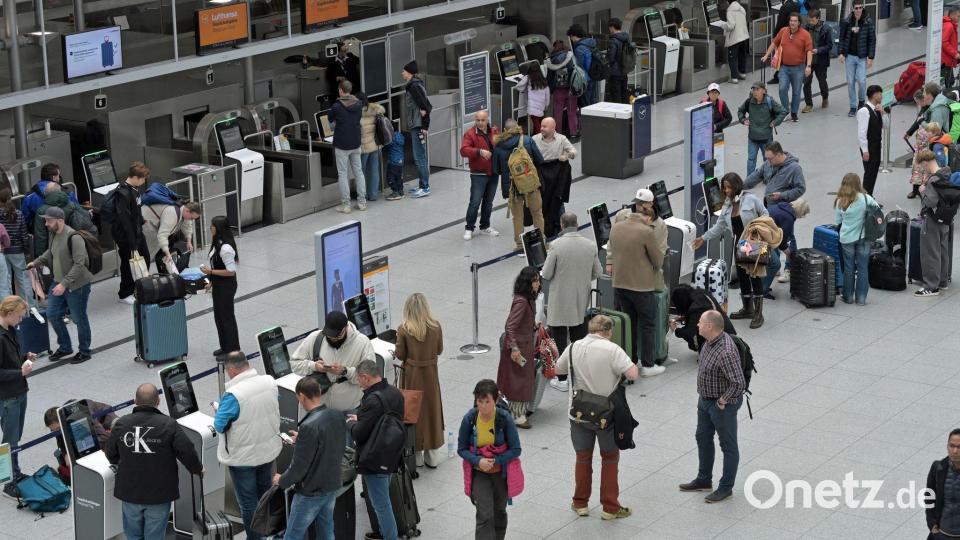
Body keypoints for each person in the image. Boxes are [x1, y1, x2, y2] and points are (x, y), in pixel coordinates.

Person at [555, 314, 639, 519]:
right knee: (610, 458)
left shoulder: (574, 347)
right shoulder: (613, 350)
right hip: (606, 415)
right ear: (609, 331)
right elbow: (633, 374)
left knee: (582, 457)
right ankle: (610, 507)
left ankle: (580, 503)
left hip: (578, 413)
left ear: (590, 329)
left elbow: (559, 369)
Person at [106, 383, 202, 540]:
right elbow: (187, 450)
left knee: (133, 534)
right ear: (158, 401)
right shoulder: (168, 424)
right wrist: (197, 469)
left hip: (130, 491)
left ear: (134, 401)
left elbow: (111, 454)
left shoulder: (121, 424)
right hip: (159, 493)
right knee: (155, 535)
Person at [213, 351, 282, 540]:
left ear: (232, 370)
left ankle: (255, 538)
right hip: (267, 451)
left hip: (243, 459)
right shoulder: (269, 382)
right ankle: (267, 534)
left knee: (248, 503)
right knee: (264, 497)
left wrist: (219, 409)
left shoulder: (234, 395)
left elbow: (219, 425)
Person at [678, 310, 745, 504]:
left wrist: (723, 401)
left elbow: (738, 383)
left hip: (721, 404)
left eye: (699, 322)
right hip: (705, 400)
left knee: (728, 445)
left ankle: (726, 487)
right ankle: (704, 479)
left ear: (709, 326)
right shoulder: (709, 341)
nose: (697, 325)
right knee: (702, 437)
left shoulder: (725, 351)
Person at [273, 376, 346, 540]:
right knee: (326, 531)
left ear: (302, 397)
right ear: (319, 392)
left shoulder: (308, 426)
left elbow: (299, 466)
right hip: (331, 484)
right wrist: (304, 438)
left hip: (311, 491)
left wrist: (282, 480)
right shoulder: (336, 415)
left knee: (292, 535)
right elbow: (333, 444)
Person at [606, 189, 668, 377]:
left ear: (650, 206)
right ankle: (648, 365)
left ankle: (629, 362)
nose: (639, 207)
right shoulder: (647, 230)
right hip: (642, 284)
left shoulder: (618, 224)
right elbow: (658, 260)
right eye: (638, 204)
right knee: (647, 324)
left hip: (620, 283)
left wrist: (611, 262)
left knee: (627, 323)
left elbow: (611, 244)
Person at [692, 172, 768, 318]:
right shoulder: (726, 206)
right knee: (742, 277)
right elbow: (719, 226)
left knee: (755, 277)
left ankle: (759, 314)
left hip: (754, 242)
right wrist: (703, 238)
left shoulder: (751, 199)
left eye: (729, 187)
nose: (726, 191)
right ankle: (748, 309)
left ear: (737, 186)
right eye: (724, 188)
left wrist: (757, 231)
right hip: (739, 244)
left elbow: (766, 214)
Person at [540, 212, 601, 392]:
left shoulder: (556, 246)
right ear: (577, 224)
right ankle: (578, 376)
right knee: (579, 339)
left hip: (560, 300)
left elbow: (547, 273)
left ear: (561, 225)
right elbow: (597, 272)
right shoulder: (589, 245)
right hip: (581, 299)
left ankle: (562, 378)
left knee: (559, 340)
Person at [457, 379, 521, 540]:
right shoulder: (469, 419)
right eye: (480, 401)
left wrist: (496, 460)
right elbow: (462, 448)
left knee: (499, 511)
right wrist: (478, 461)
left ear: (496, 400)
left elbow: (516, 449)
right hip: (479, 473)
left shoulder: (504, 418)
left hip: (500, 473)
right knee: (485, 514)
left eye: (487, 401)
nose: (483, 406)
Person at [347, 360, 404, 540]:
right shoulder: (395, 392)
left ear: (366, 377)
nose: (359, 383)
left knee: (381, 504)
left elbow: (359, 433)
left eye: (359, 379)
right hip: (391, 454)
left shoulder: (372, 399)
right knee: (383, 498)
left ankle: (389, 537)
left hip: (375, 458)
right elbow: (381, 421)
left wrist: (352, 423)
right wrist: (363, 418)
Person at [28, 207, 93, 364]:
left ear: (60, 220)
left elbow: (80, 264)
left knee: (79, 318)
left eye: (49, 220)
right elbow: (51, 252)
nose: (46, 224)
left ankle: (85, 351)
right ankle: (65, 347)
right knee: (52, 314)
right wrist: (37, 262)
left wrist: (64, 284)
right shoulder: (53, 234)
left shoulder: (74, 237)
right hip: (59, 282)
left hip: (77, 285)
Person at [289, 311, 375, 413]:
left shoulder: (363, 343)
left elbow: (369, 377)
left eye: (337, 336)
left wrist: (345, 371)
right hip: (319, 411)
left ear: (345, 328)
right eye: (329, 336)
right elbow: (294, 364)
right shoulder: (315, 338)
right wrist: (314, 366)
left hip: (349, 411)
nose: (333, 339)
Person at [394, 293, 444, 468]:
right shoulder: (436, 327)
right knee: (432, 411)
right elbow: (439, 350)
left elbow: (400, 355)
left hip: (412, 375)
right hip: (430, 374)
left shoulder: (404, 329)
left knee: (413, 412)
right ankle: (433, 454)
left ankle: (417, 454)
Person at [492, 118, 546, 250]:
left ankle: (520, 245)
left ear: (505, 130)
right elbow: (540, 160)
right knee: (537, 213)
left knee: (517, 217)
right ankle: (541, 242)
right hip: (530, 183)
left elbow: (496, 169)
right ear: (517, 127)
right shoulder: (527, 140)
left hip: (512, 188)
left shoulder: (499, 146)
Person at [497, 267, 539, 428]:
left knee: (518, 380)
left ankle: (517, 412)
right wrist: (514, 348)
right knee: (519, 382)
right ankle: (517, 416)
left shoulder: (526, 299)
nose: (538, 283)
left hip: (523, 345)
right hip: (519, 348)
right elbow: (510, 326)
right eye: (534, 280)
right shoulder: (522, 302)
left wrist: (533, 325)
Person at [0, 296, 32, 498]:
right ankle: (7, 482)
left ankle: (16, 473)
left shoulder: (10, 330)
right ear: (9, 314)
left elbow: (12, 357)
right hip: (8, 396)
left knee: (15, 438)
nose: (20, 321)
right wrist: (19, 373)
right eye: (19, 317)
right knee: (9, 441)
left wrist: (25, 357)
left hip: (19, 391)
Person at [915, 150, 957, 297]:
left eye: (921, 166)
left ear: (925, 162)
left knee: (930, 252)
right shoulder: (947, 174)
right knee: (942, 250)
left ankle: (931, 286)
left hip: (932, 220)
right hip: (946, 219)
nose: (922, 169)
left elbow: (930, 201)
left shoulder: (933, 181)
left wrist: (922, 191)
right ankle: (942, 281)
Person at [45, 398, 117, 483]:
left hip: (106, 420)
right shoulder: (60, 423)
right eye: (53, 430)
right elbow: (61, 438)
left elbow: (104, 438)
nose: (56, 432)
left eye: (58, 429)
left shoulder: (83, 416)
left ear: (64, 421)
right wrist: (66, 454)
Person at [761, 13, 812, 123]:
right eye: (791, 20)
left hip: (799, 68)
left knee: (796, 92)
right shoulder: (783, 31)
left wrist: (808, 66)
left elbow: (809, 51)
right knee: (782, 88)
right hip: (784, 67)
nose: (792, 23)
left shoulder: (805, 34)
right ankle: (785, 110)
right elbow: (774, 43)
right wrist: (766, 55)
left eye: (795, 21)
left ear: (799, 23)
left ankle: (794, 112)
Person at [460, 110, 502, 241]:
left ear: (487, 119)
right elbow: (463, 150)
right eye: (477, 120)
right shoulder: (470, 134)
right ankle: (469, 228)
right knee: (475, 202)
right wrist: (479, 151)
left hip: (493, 173)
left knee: (488, 202)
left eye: (482, 120)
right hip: (478, 174)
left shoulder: (494, 131)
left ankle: (485, 226)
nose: (480, 122)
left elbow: (501, 146)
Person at [200, 215, 239, 357]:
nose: (210, 228)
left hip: (227, 286)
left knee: (227, 317)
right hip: (218, 284)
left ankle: (233, 349)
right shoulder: (217, 242)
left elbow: (230, 271)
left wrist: (210, 272)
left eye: (213, 225)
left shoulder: (226, 248)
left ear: (219, 228)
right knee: (219, 317)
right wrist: (211, 281)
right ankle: (224, 346)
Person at [834, 173, 874, 306]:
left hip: (847, 239)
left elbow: (838, 222)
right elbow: (877, 213)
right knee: (863, 268)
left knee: (849, 268)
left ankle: (848, 297)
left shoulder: (840, 201)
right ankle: (861, 299)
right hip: (864, 237)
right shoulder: (866, 198)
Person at [533, 117, 577, 237]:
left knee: (558, 201)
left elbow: (573, 151)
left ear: (553, 128)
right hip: (542, 177)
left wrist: (567, 155)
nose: (541, 128)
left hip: (557, 177)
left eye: (544, 126)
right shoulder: (535, 139)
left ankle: (564, 227)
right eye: (541, 126)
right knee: (542, 202)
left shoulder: (562, 139)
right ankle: (544, 230)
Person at [114, 162, 150, 305]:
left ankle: (137, 287)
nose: (143, 182)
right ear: (135, 177)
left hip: (136, 232)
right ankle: (125, 292)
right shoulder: (122, 193)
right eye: (142, 179)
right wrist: (132, 242)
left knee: (144, 258)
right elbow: (124, 219)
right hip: (127, 236)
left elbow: (135, 211)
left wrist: (141, 221)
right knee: (128, 263)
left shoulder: (134, 190)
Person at [328, 80, 367, 213]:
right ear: (349, 90)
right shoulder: (359, 103)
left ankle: (346, 205)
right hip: (356, 142)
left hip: (342, 144)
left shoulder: (337, 106)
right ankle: (362, 202)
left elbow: (330, 119)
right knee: (359, 172)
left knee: (343, 174)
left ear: (340, 91)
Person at [738, 82, 788, 175]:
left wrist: (775, 122)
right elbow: (740, 111)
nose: (755, 92)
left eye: (757, 89)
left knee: (768, 159)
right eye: (753, 89)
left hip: (766, 138)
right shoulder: (749, 101)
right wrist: (743, 120)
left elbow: (783, 111)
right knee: (751, 159)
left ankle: (768, 178)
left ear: (763, 91)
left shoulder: (770, 101)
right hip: (752, 137)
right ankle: (749, 179)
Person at [838, 0, 876, 117]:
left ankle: (861, 101)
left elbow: (872, 40)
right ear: (853, 9)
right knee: (850, 82)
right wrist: (841, 53)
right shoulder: (847, 21)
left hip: (862, 57)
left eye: (860, 8)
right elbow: (842, 38)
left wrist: (870, 57)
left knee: (862, 80)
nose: (858, 10)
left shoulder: (867, 21)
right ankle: (853, 106)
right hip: (849, 56)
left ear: (862, 8)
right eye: (856, 8)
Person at [669, 285, 735, 352]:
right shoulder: (702, 294)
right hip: (728, 334)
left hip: (722, 345)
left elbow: (689, 333)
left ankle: (708, 350)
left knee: (693, 339)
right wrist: (684, 317)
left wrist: (675, 329)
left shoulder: (696, 309)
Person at [401, 61, 433, 198]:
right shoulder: (414, 85)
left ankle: (425, 186)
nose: (402, 73)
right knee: (419, 156)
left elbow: (426, 106)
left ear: (409, 73)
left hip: (418, 125)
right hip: (417, 123)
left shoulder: (414, 87)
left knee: (420, 156)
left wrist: (425, 126)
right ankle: (422, 184)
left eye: (404, 71)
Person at [33, 183, 94, 256]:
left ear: (46, 194)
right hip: (73, 245)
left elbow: (41, 237)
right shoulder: (72, 204)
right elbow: (85, 220)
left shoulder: (41, 211)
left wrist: (40, 256)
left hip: (55, 250)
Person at [141, 200, 199, 275]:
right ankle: (140, 280)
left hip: (158, 231)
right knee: (145, 257)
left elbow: (188, 226)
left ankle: (164, 276)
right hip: (147, 229)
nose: (191, 220)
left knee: (160, 256)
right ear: (187, 211)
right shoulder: (172, 213)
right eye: (192, 218)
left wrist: (189, 241)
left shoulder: (184, 212)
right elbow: (162, 235)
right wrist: (167, 254)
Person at [744, 141, 807, 206]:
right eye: (767, 158)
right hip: (769, 204)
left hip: (783, 208)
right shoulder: (768, 163)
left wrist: (782, 195)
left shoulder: (794, 168)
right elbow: (757, 174)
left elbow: (801, 189)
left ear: (779, 155)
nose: (768, 161)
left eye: (770, 158)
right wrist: (740, 186)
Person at [20, 162, 79, 231]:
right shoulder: (67, 194)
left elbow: (26, 219)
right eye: (58, 175)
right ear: (54, 178)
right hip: (63, 231)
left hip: (40, 232)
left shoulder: (29, 196)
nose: (60, 178)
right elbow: (77, 213)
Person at [0, 189, 33, 308]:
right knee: (23, 279)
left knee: (5, 282)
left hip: (2, 252)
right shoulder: (18, 213)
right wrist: (26, 249)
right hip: (17, 250)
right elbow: (24, 233)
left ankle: (9, 309)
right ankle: (30, 306)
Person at [925, 429, 960, 539]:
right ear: (947, 446)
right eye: (952, 446)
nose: (955, 451)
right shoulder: (938, 468)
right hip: (941, 534)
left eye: (959, 447)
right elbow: (929, 497)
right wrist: (932, 524)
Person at [545, 40, 579, 137]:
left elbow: (549, 77)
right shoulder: (571, 57)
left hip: (558, 90)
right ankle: (573, 132)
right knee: (572, 111)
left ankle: (558, 133)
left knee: (558, 113)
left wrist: (551, 90)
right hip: (571, 89)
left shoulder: (551, 60)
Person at [802, 9, 832, 113]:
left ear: (818, 18)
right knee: (806, 83)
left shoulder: (826, 29)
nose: (810, 22)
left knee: (822, 81)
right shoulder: (805, 28)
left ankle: (825, 97)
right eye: (809, 20)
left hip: (821, 61)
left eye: (812, 20)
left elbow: (829, 45)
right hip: (808, 61)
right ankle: (808, 104)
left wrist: (818, 50)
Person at [857, 85, 884, 195]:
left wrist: (883, 113)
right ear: (874, 95)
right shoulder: (864, 111)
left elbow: (884, 126)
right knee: (869, 174)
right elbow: (862, 133)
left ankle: (869, 196)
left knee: (873, 173)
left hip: (876, 146)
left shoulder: (877, 109)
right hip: (869, 147)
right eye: (880, 94)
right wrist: (865, 150)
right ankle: (866, 199)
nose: (881, 96)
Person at [359, 92, 386, 202]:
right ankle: (373, 194)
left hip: (364, 147)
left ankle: (363, 194)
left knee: (361, 171)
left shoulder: (357, 114)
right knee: (374, 170)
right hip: (375, 145)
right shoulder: (376, 110)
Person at [908, 90, 933, 199]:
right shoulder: (923, 108)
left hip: (927, 143)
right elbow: (917, 121)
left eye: (917, 101)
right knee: (917, 167)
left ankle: (924, 189)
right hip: (920, 144)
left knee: (926, 167)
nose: (917, 104)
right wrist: (909, 132)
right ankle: (915, 189)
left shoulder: (932, 109)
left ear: (923, 99)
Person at [717, 0, 749, 82]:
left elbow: (731, 26)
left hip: (735, 38)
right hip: (744, 36)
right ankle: (742, 73)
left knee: (733, 57)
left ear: (728, 2)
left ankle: (734, 78)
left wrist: (722, 25)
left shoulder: (730, 10)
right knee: (742, 55)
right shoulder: (742, 9)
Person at [767, 0, 798, 84]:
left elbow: (780, 22)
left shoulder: (784, 7)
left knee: (781, 56)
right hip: (793, 33)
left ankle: (778, 76)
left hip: (784, 34)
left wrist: (775, 35)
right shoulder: (795, 5)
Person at [516, 61, 549, 134]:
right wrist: (546, 105)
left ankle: (540, 138)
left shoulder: (528, 78)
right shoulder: (543, 79)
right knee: (538, 122)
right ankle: (535, 136)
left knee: (537, 124)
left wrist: (524, 88)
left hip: (532, 107)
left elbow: (518, 86)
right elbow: (547, 94)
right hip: (541, 106)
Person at [605, 18, 631, 104]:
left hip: (615, 72)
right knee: (624, 92)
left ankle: (618, 114)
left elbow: (611, 58)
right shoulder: (626, 38)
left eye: (609, 27)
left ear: (612, 27)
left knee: (616, 94)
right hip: (624, 69)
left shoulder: (613, 41)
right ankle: (626, 113)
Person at [384, 128, 406, 201]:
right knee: (399, 177)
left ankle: (395, 192)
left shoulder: (391, 138)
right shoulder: (400, 136)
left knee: (390, 177)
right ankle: (401, 191)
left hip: (393, 162)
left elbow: (386, 144)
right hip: (400, 161)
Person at [942, 9, 960, 88]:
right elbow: (944, 42)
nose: (959, 18)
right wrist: (955, 53)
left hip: (948, 59)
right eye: (958, 16)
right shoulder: (949, 26)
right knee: (948, 82)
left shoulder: (950, 25)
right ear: (952, 15)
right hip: (946, 60)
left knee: (950, 80)